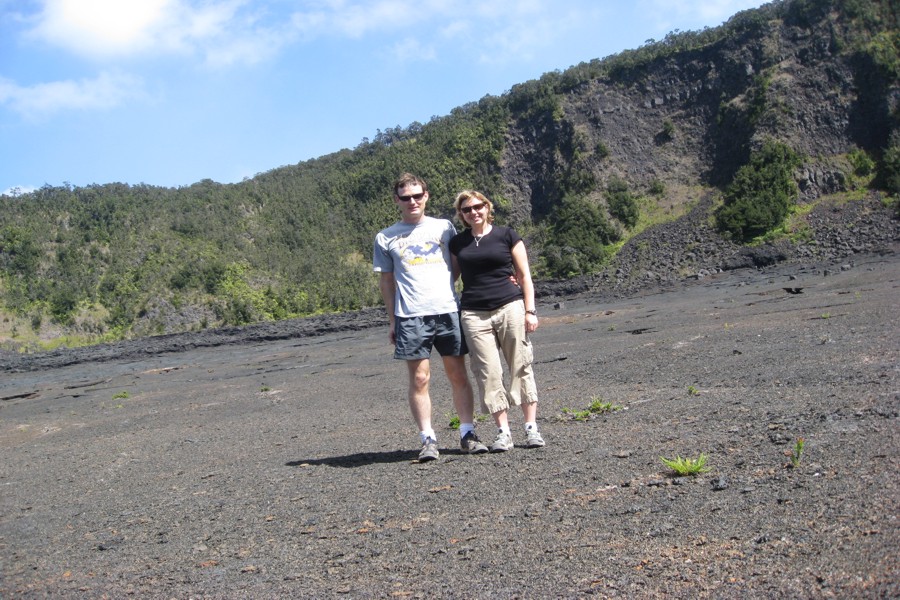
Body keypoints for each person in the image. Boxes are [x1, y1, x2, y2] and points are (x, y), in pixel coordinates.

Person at [373, 173, 489, 461]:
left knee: (458, 374)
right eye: (405, 197)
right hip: (410, 316)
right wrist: (392, 321)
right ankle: (427, 439)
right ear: (396, 200)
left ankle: (467, 433)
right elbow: (387, 282)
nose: (412, 201)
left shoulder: (444, 227)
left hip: (447, 310)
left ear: (426, 196)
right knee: (420, 378)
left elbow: (458, 265)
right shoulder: (385, 237)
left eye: (417, 196)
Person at [449, 190, 545, 452]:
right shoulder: (458, 243)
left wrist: (530, 310)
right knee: (487, 372)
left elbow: (524, 276)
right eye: (467, 209)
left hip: (510, 307)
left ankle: (531, 428)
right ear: (461, 215)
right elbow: (451, 277)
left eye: (477, 207)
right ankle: (504, 432)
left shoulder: (507, 235)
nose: (473, 212)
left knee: (520, 365)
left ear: (487, 207)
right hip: (473, 313)